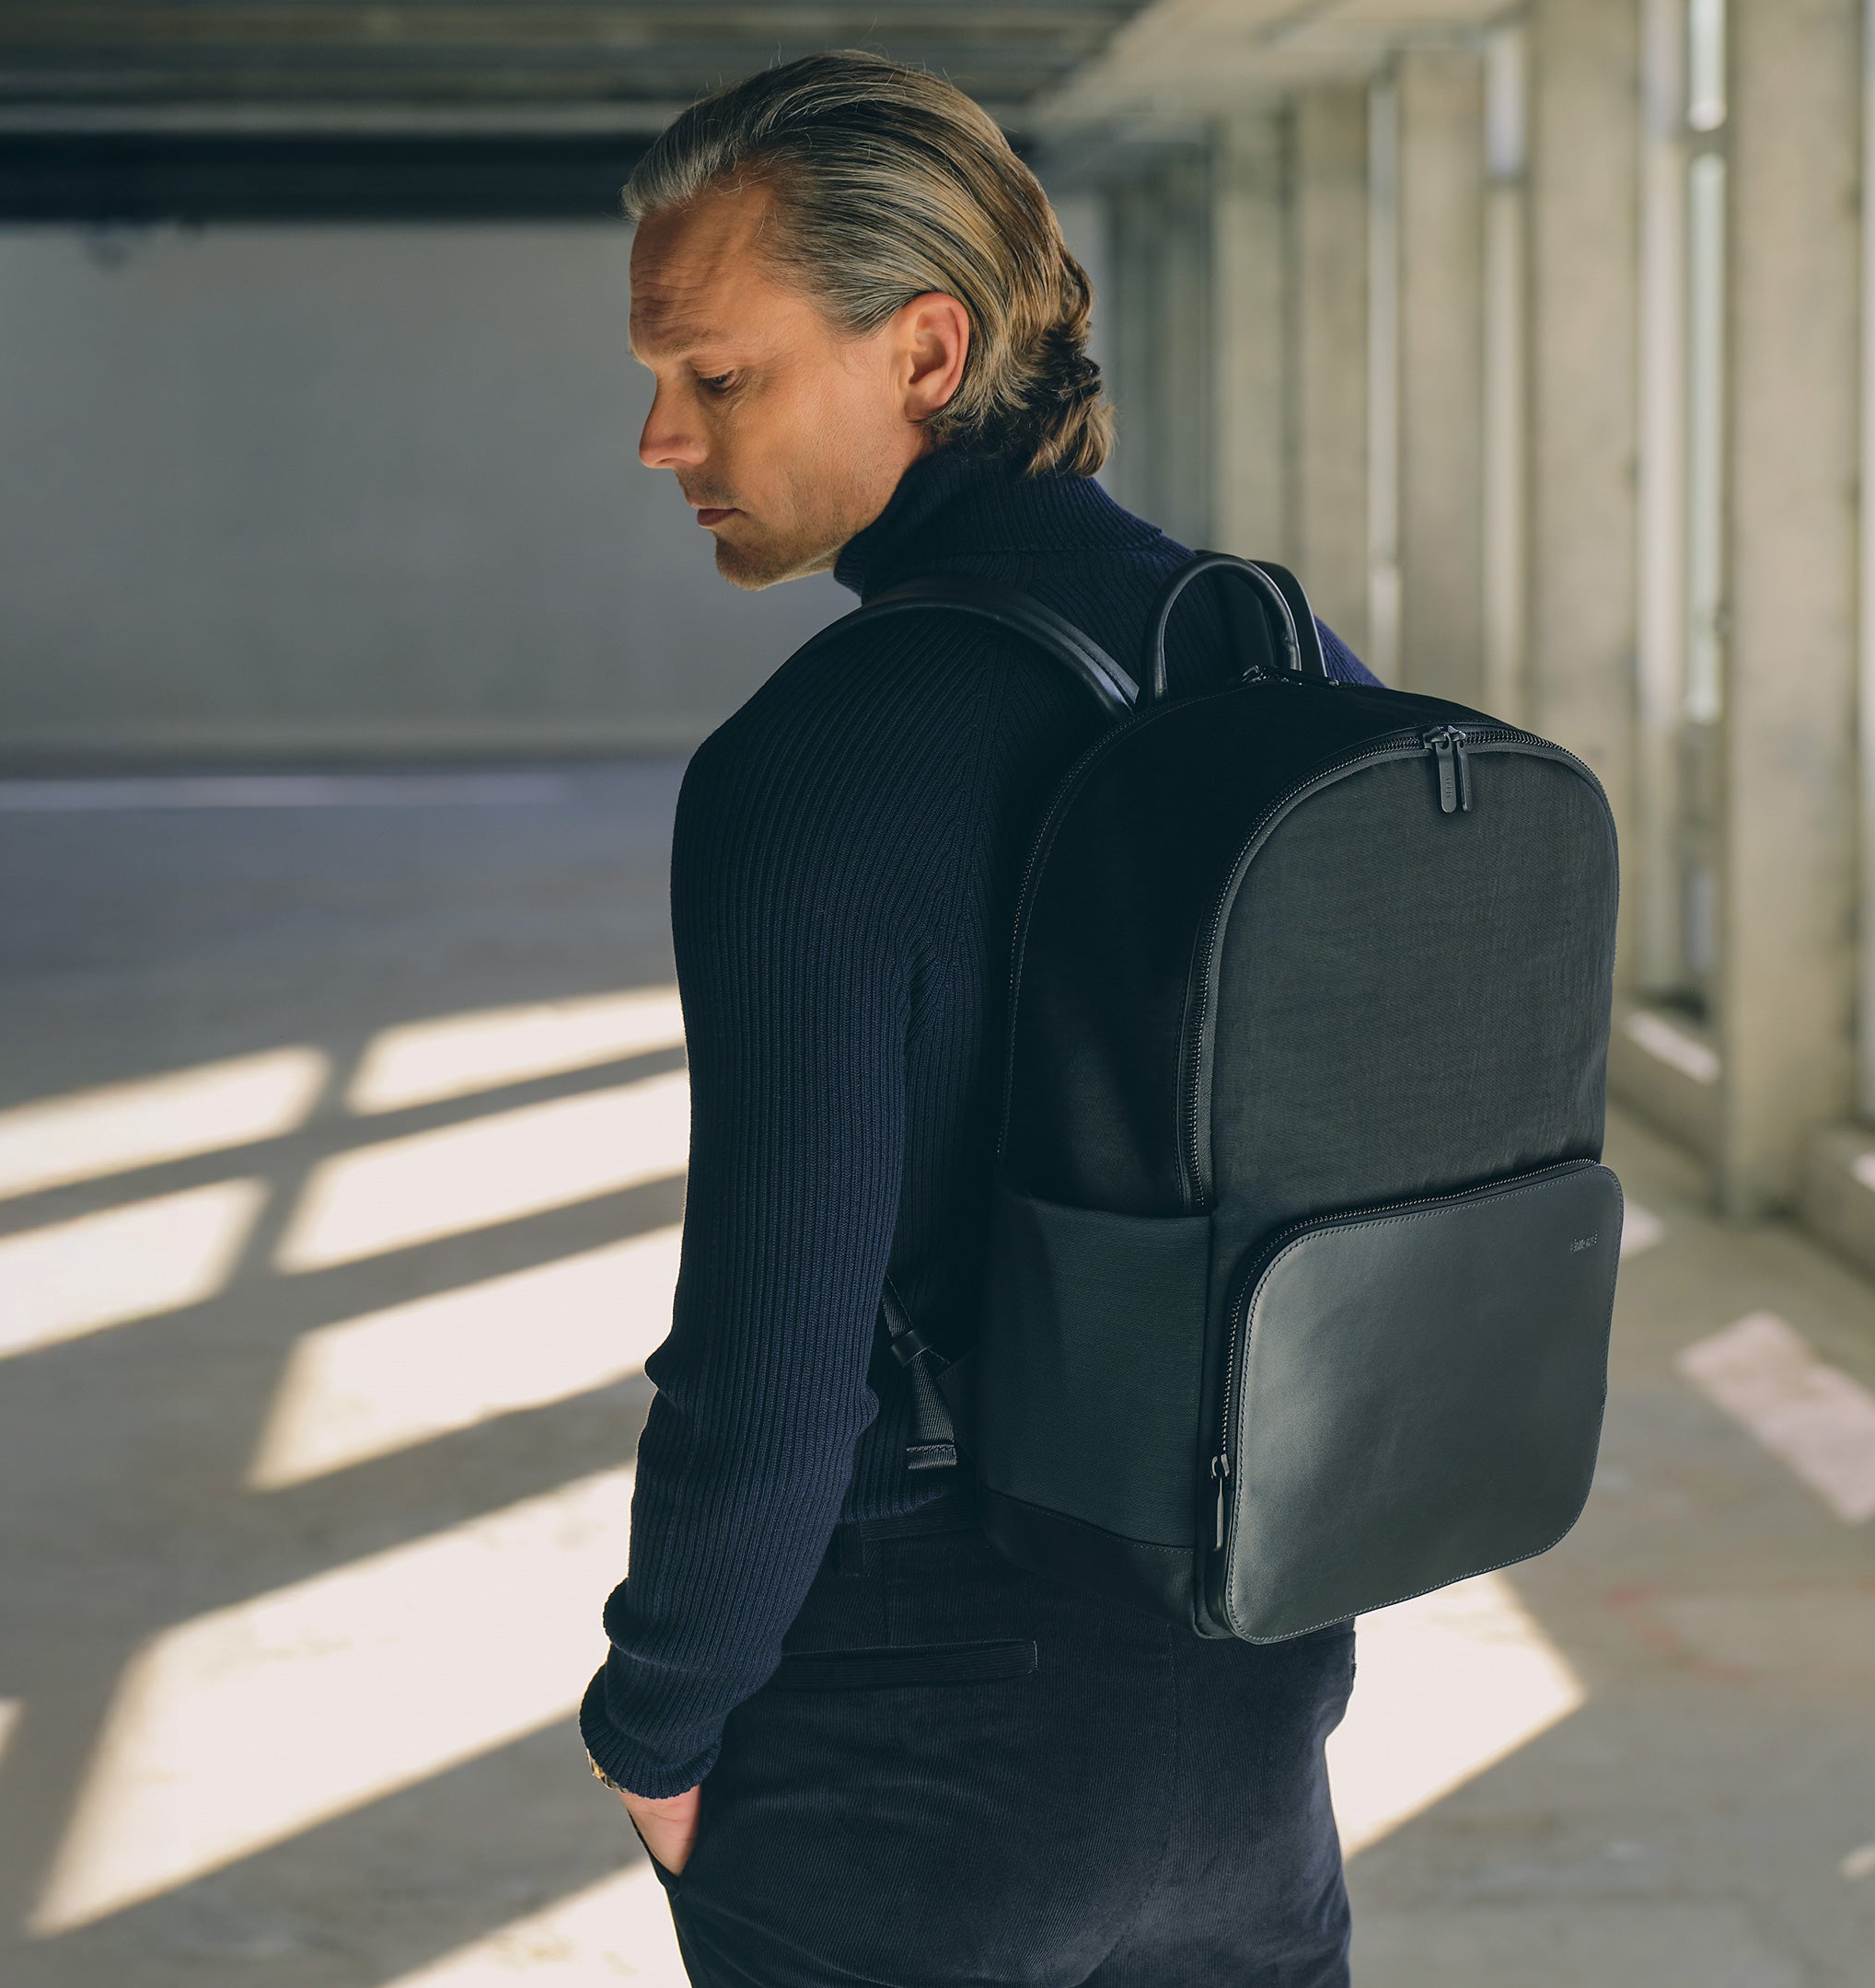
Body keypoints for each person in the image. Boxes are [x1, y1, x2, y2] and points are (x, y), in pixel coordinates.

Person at [576, 48, 1378, 1988]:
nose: (662, 440)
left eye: (719, 375)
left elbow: (777, 1347)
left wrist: (660, 1715)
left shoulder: (826, 759)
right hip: (1253, 1693)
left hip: (907, 1736)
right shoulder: (1286, 669)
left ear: (925, 352)